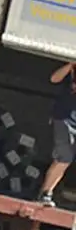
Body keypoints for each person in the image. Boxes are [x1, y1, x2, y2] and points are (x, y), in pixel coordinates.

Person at [41, 61, 76, 205]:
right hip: (64, 119)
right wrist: (70, 65)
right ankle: (46, 193)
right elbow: (54, 79)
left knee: (63, 160)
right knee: (64, 157)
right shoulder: (72, 71)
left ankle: (46, 193)